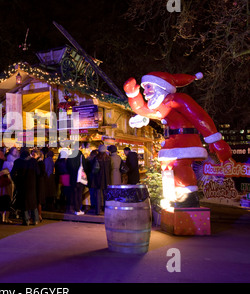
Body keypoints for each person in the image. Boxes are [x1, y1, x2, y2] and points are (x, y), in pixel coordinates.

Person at [123, 71, 232, 207]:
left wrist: (214, 139)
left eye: (148, 87)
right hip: (171, 145)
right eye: (144, 88)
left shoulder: (177, 100)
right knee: (167, 168)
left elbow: (199, 117)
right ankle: (172, 197)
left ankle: (187, 198)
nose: (145, 92)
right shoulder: (160, 105)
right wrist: (133, 95)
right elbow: (143, 109)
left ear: (161, 87)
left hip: (185, 143)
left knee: (180, 167)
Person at [66, 149, 88, 215]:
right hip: (80, 178)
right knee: (79, 194)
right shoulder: (81, 156)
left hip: (72, 178)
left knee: (74, 194)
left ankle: (76, 209)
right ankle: (78, 209)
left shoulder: (70, 157)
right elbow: (85, 167)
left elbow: (67, 167)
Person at [90, 145, 111, 214]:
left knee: (98, 195)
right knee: (105, 195)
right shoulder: (108, 158)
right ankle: (106, 210)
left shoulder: (96, 158)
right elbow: (110, 169)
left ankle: (98, 211)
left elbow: (92, 168)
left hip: (98, 178)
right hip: (106, 179)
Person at [31, 149, 46, 222]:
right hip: (37, 183)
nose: (32, 156)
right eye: (32, 155)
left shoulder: (40, 163)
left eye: (34, 155)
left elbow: (41, 173)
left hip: (39, 183)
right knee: (37, 200)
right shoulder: (38, 162)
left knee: (38, 200)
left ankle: (38, 215)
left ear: (38, 155)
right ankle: (38, 216)